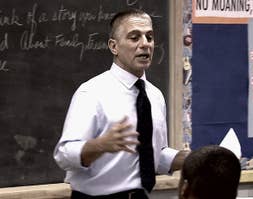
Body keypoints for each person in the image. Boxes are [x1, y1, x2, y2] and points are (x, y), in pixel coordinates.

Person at [53, 8, 188, 199]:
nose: (145, 44)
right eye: (134, 38)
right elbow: (64, 155)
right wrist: (100, 145)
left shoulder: (155, 95)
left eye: (149, 37)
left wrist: (188, 160)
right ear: (114, 46)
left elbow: (152, 155)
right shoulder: (92, 92)